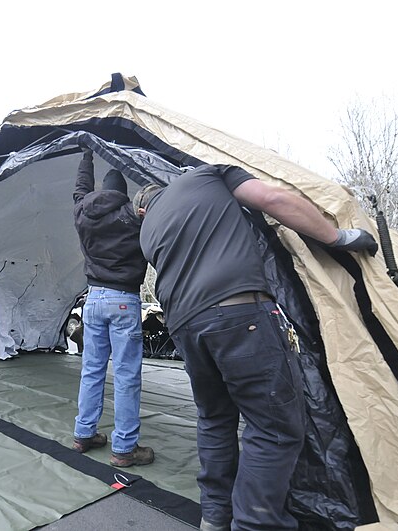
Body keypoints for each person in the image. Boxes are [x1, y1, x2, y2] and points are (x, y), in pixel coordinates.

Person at [133, 165, 378, 530]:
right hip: (238, 313)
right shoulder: (207, 175)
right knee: (274, 427)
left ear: (141, 211)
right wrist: (337, 237)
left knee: (214, 420)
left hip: (185, 328)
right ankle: (253, 524)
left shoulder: (147, 232)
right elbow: (273, 198)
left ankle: (214, 518)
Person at [70, 146, 154, 468]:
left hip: (93, 299)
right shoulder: (134, 219)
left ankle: (83, 434)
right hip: (123, 301)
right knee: (126, 375)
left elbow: (80, 189)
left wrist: (87, 157)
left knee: (92, 370)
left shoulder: (82, 213)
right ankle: (124, 448)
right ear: (124, 195)